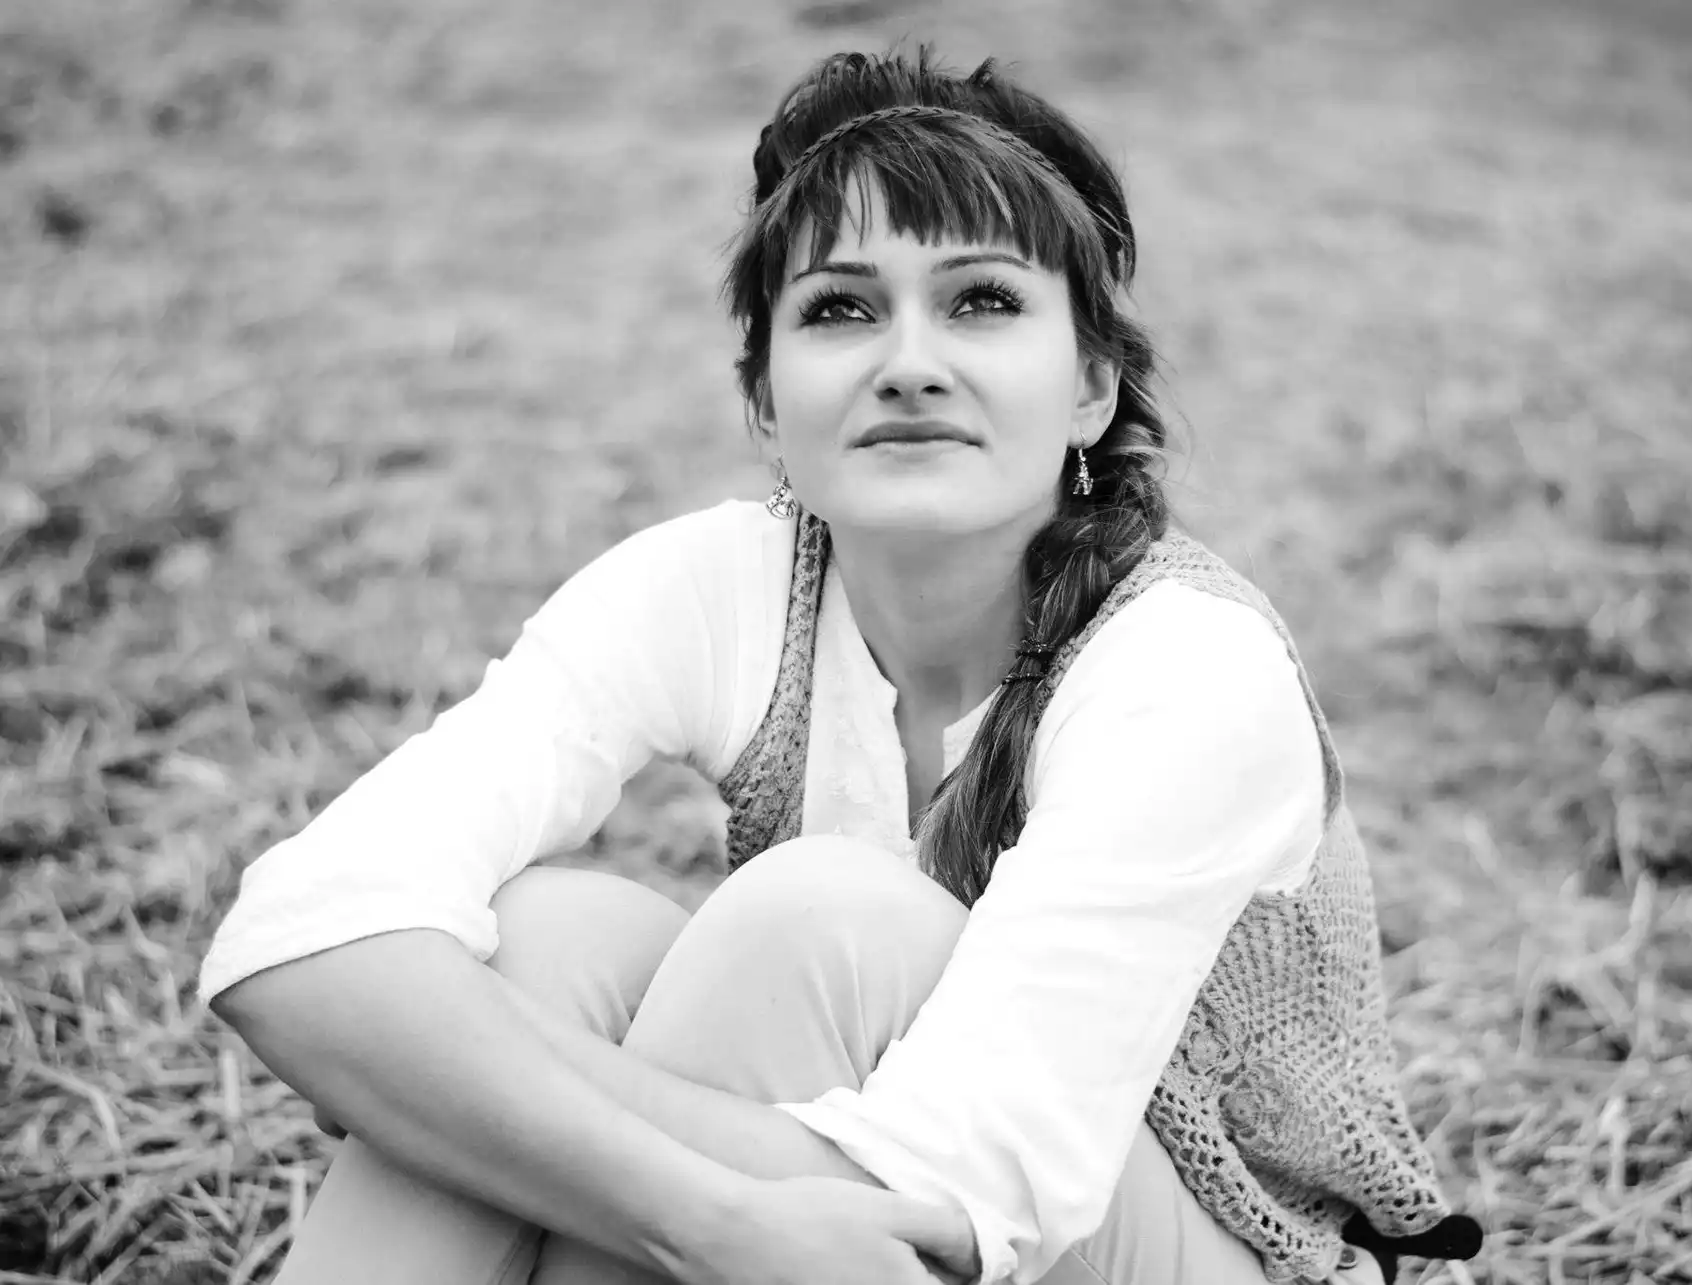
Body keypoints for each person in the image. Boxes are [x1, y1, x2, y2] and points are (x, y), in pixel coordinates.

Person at [199, 45, 1484, 1285]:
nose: (910, 364)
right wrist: (695, 1220)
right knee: (544, 937)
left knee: (808, 922)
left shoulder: (1188, 666)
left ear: (1092, 388)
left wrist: (449, 1071)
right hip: (815, 1233)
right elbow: (298, 930)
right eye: (840, 309)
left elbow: (955, 1195)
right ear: (767, 402)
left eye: (982, 301)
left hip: (1193, 1254)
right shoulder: (722, 587)